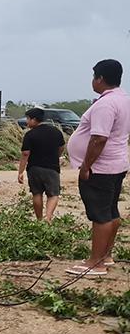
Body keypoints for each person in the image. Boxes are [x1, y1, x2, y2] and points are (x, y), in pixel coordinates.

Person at [66, 59, 129, 276]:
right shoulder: (124, 99)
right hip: (117, 164)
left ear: (100, 78)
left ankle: (95, 262)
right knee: (111, 211)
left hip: (101, 168)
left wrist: (86, 166)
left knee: (100, 214)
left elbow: (98, 139)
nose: (92, 80)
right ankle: (106, 255)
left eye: (94, 76)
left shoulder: (105, 104)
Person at [17, 108, 65, 222]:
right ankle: (48, 218)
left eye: (28, 119)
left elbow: (25, 154)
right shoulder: (56, 131)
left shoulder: (30, 135)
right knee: (53, 194)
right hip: (52, 168)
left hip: (34, 168)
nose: (27, 122)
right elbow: (62, 147)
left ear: (34, 119)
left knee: (37, 193)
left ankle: (39, 220)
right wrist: (56, 156)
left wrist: (20, 171)